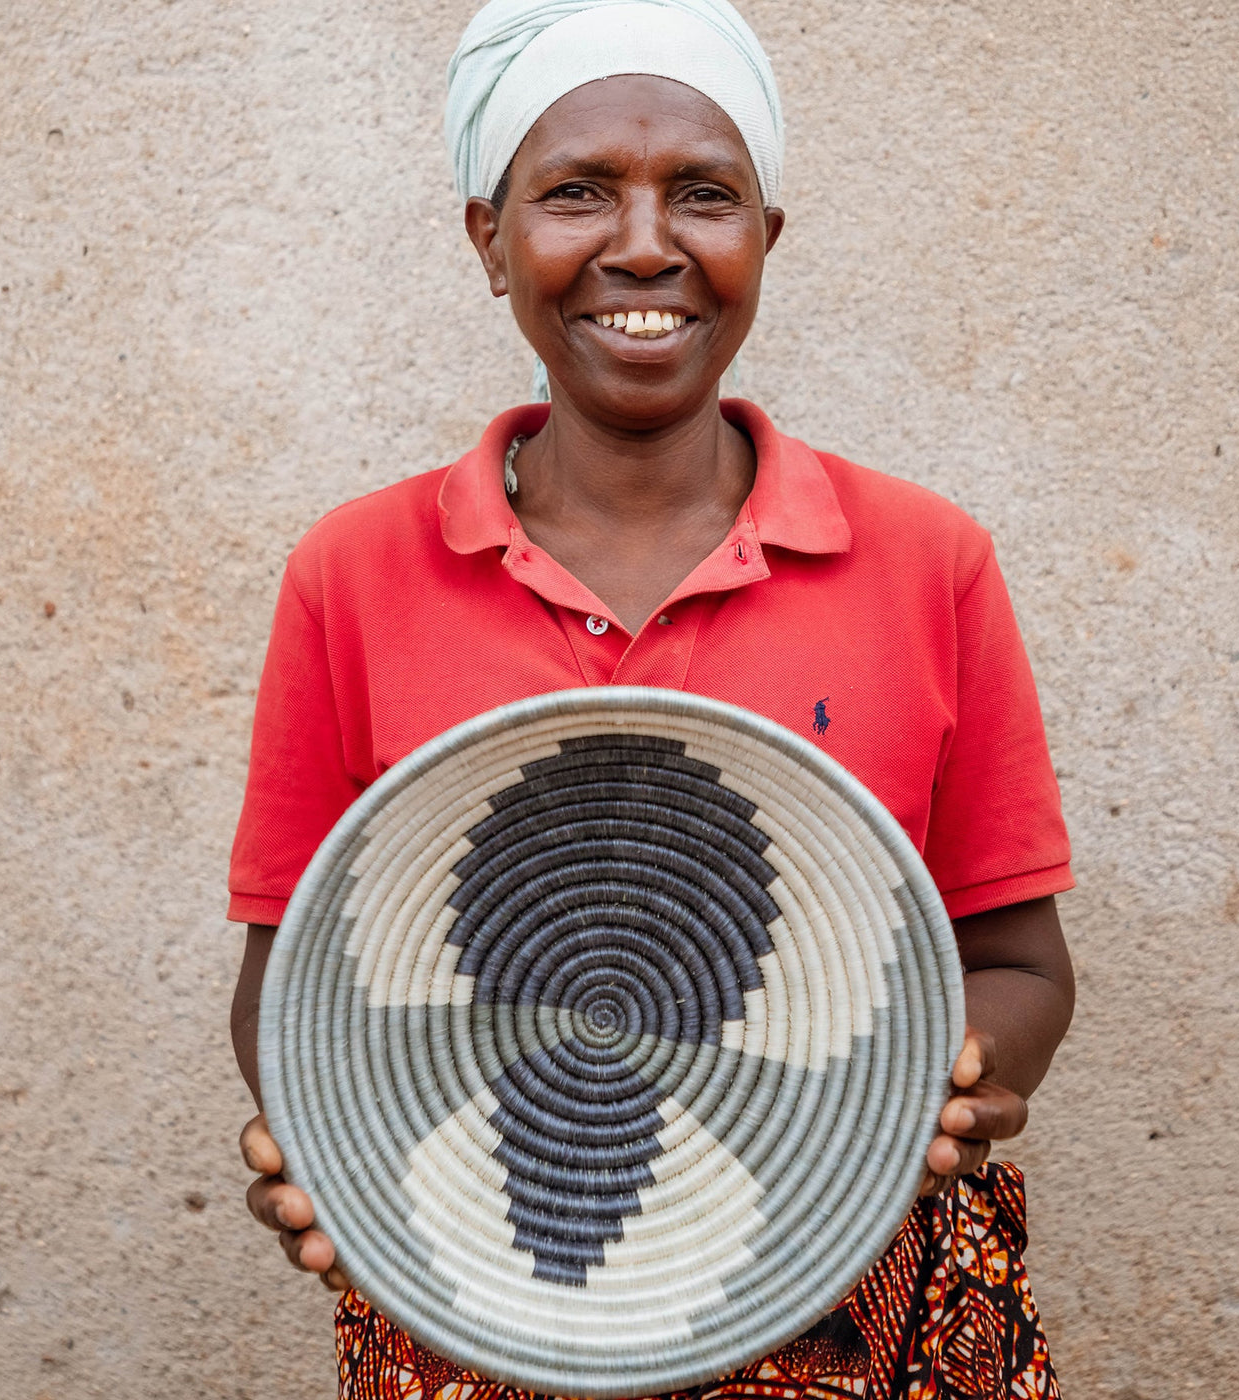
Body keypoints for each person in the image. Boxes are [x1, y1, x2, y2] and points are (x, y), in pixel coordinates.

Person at [227, 1, 1077, 1395]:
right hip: (481, 1294)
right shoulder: (356, 573)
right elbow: (289, 978)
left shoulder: (927, 560)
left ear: (766, 240)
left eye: (702, 193)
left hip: (868, 1298)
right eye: (574, 192)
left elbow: (1022, 961)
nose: (642, 244)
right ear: (487, 240)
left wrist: (946, 1078)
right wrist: (341, 1145)